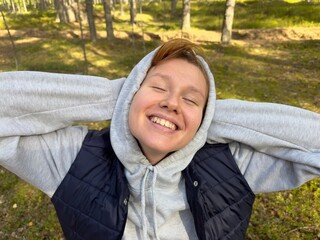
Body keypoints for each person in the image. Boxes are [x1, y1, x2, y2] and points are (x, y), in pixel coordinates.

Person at [0, 39, 319, 240]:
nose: (172, 103)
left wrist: (209, 117)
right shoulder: (73, 159)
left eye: (191, 99)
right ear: (130, 92)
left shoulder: (232, 167)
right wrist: (115, 97)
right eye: (157, 87)